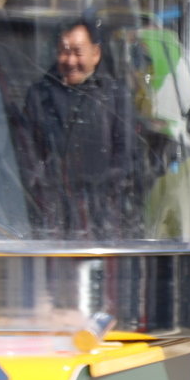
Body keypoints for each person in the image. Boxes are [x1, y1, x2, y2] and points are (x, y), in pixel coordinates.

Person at [17, 17, 140, 238]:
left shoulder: (115, 95)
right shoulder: (38, 95)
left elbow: (126, 157)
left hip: (105, 224)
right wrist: (47, 195)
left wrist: (101, 199)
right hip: (51, 223)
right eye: (64, 51)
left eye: (78, 51)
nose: (71, 60)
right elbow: (27, 156)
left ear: (96, 54)